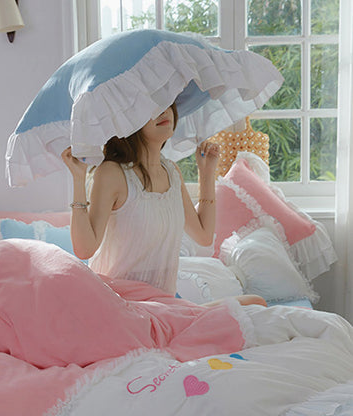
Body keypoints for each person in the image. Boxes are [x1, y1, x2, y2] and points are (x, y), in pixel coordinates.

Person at [62, 103, 266, 307]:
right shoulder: (112, 173)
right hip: (122, 304)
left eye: (165, 102)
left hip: (163, 303)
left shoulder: (171, 171)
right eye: (150, 107)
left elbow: (203, 235)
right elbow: (84, 249)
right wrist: (78, 179)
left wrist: (206, 173)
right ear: (128, 119)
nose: (163, 111)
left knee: (255, 302)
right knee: (249, 309)